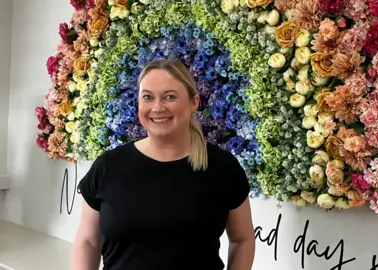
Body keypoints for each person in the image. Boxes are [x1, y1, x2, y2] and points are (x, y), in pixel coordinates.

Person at [70, 59, 255, 270]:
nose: (157, 107)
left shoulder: (222, 167)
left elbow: (242, 239)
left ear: (194, 102)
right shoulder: (108, 166)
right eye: (147, 97)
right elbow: (88, 241)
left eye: (170, 97)